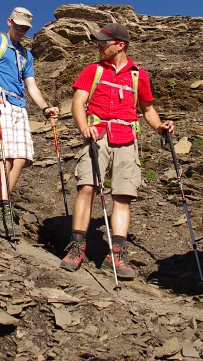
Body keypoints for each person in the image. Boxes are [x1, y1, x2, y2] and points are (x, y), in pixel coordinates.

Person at [59, 23, 174, 280]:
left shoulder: (138, 76)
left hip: (127, 137)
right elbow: (78, 103)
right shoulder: (92, 71)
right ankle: (77, 246)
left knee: (123, 195)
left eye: (103, 42)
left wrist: (159, 126)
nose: (98, 46)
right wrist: (83, 129)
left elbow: (147, 109)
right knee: (87, 186)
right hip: (96, 134)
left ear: (119, 45)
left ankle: (117, 253)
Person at [0, 7, 59, 237]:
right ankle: (3, 208)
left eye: (25, 28)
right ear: (9, 22)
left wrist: (44, 107)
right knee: (2, 157)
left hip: (19, 105)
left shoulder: (26, 55)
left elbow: (31, 86)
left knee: (21, 158)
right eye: (19, 26)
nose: (22, 30)